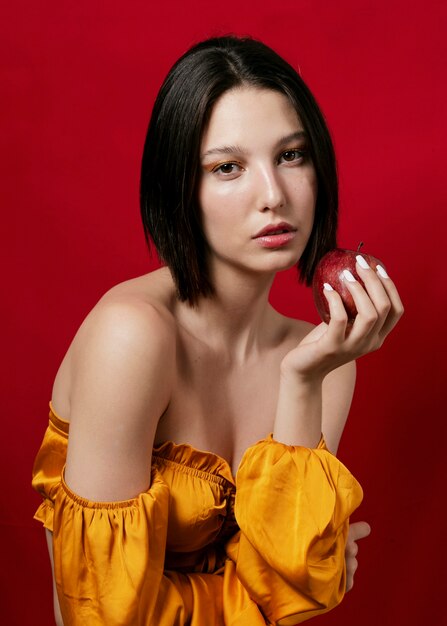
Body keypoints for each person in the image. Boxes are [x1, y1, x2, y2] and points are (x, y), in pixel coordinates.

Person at [32, 35, 403, 626]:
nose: (274, 196)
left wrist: (301, 380)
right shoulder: (131, 337)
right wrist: (283, 587)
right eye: (227, 167)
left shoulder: (321, 362)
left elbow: (297, 577)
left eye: (291, 155)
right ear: (181, 187)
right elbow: (99, 617)